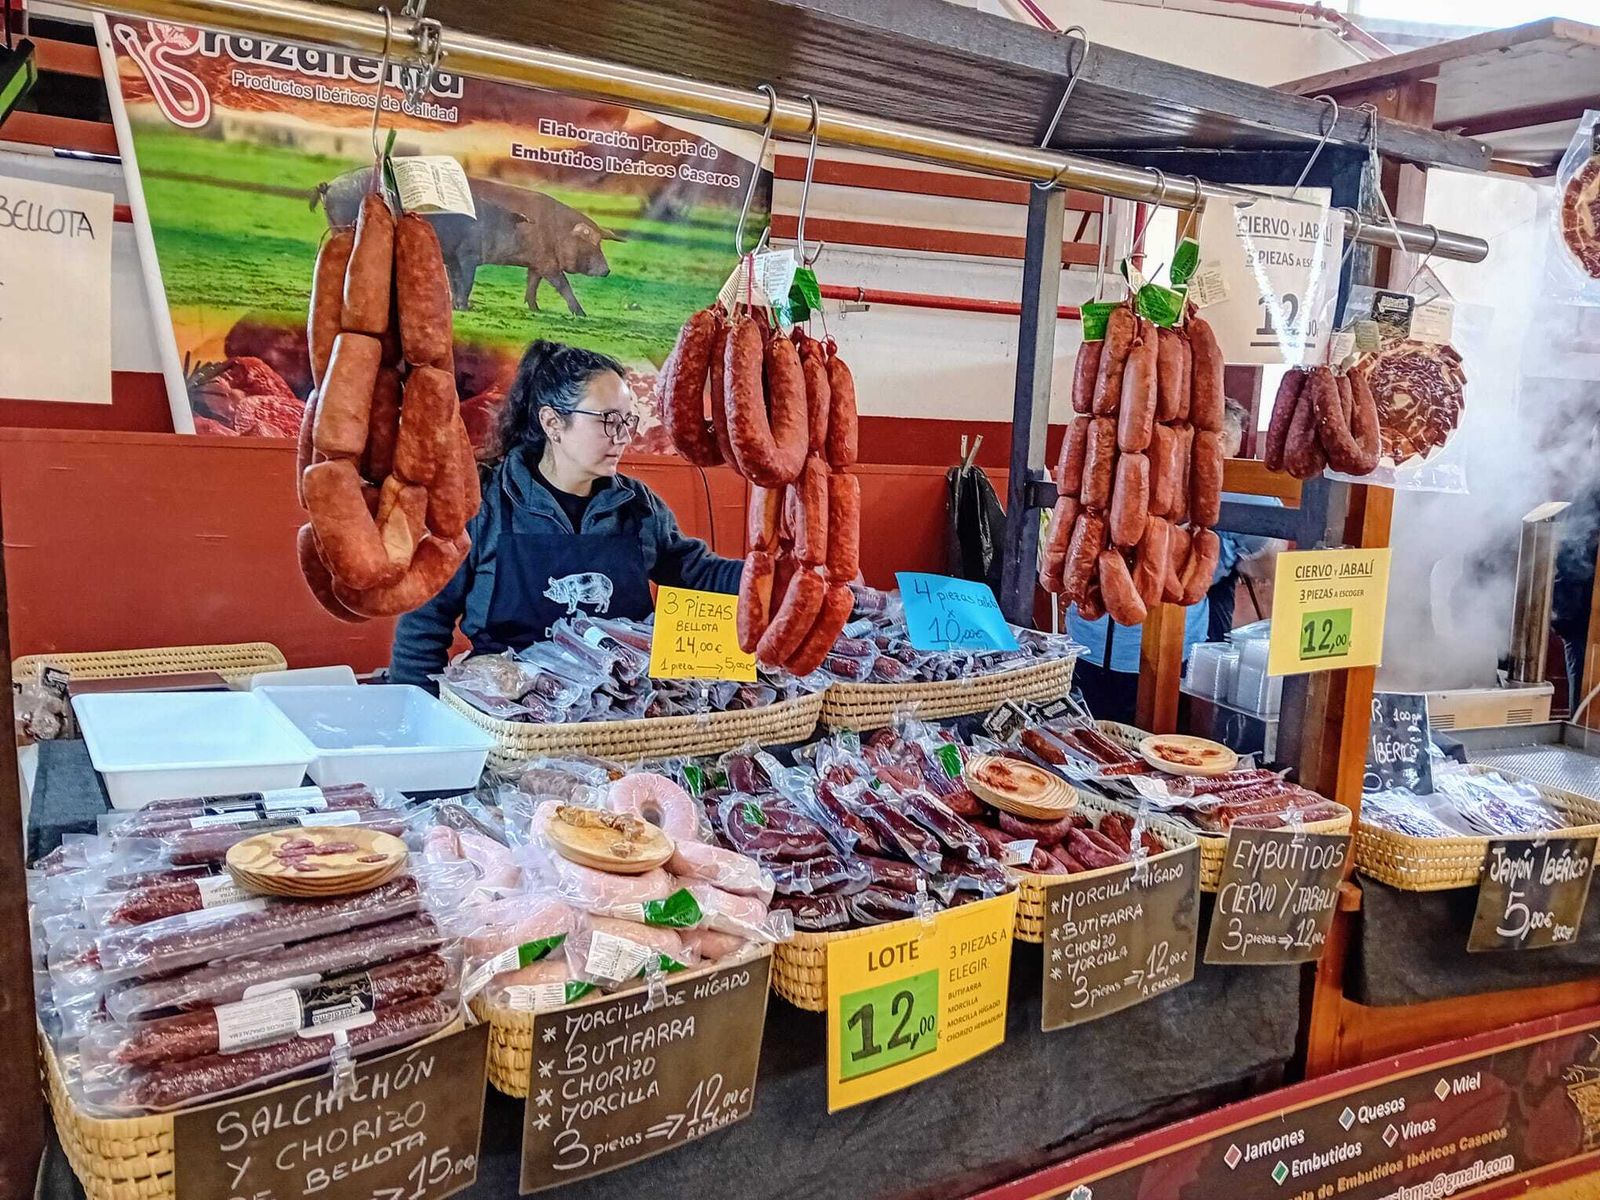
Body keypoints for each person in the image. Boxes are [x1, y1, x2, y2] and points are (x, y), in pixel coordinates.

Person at [390, 340, 744, 687]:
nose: (622, 436)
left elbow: (698, 573)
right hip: (515, 708)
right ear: (552, 422)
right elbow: (423, 623)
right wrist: (420, 711)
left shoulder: (637, 506)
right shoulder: (484, 505)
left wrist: (767, 575)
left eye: (627, 421)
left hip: (622, 707)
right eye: (608, 420)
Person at [1067, 399, 1281, 722]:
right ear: (1219, 439)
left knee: (1101, 732)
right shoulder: (1233, 482)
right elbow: (1269, 561)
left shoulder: (1122, 463)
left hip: (1105, 641)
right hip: (1119, 645)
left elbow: (1269, 555)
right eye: (1231, 452)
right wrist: (1231, 560)